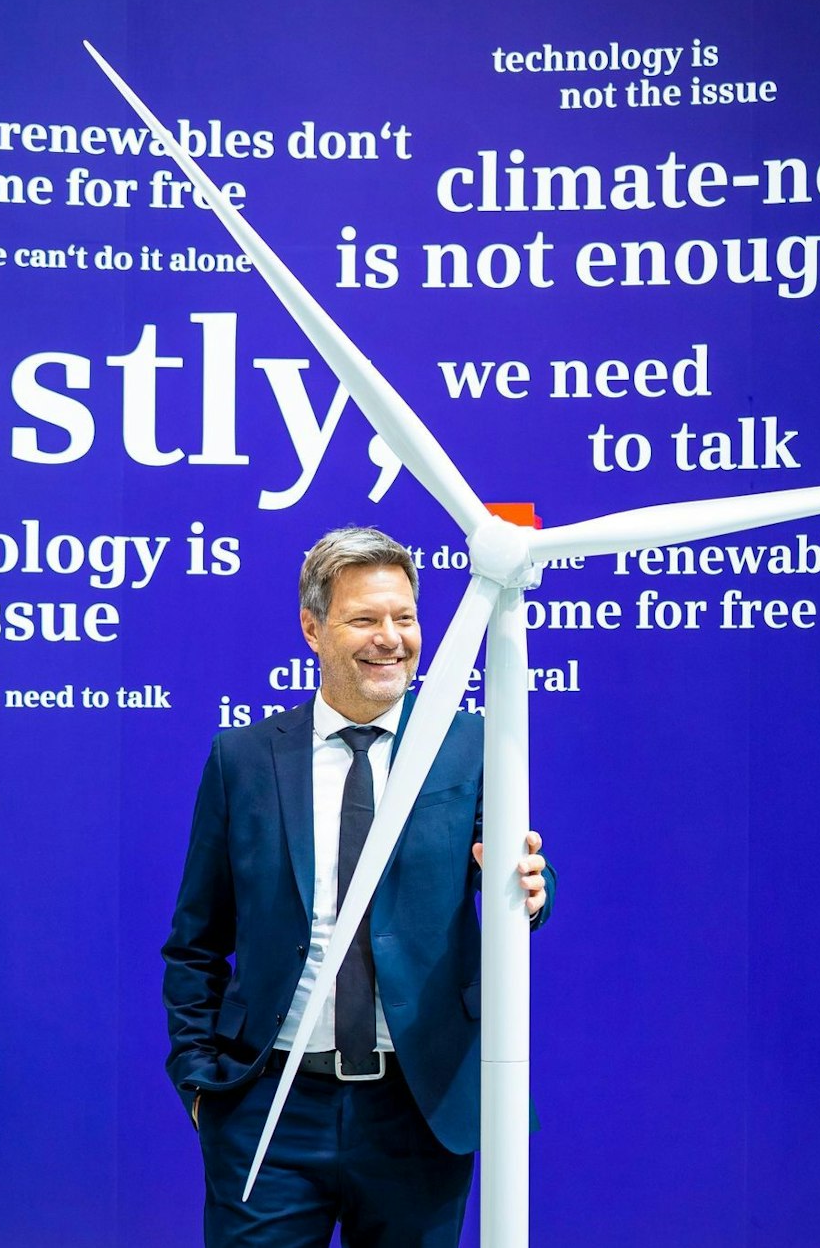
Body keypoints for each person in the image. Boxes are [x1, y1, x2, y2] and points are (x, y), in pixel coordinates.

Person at [164, 525, 553, 1247]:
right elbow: (195, 942)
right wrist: (200, 1083)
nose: (391, 639)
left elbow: (516, 870)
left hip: (419, 1107)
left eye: (405, 618)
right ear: (312, 628)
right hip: (269, 1107)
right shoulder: (242, 759)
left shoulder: (468, 745)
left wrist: (530, 888)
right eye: (365, 619)